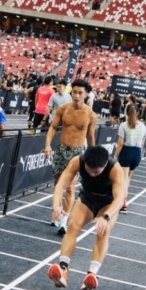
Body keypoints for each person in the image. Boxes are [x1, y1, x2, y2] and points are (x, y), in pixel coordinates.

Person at [47, 145, 124, 290]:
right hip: (87, 198)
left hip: (108, 202)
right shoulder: (77, 161)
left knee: (103, 231)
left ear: (105, 164)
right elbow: (61, 184)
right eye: (89, 170)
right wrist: (56, 205)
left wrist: (106, 217)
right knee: (73, 225)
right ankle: (63, 269)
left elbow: (120, 198)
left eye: (96, 172)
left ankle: (91, 274)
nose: (92, 174)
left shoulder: (115, 168)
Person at [44, 79, 98, 235]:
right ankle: (58, 212)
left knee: (70, 187)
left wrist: (92, 156)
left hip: (77, 153)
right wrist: (47, 144)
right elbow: (53, 127)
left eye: (80, 93)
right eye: (74, 92)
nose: (77, 95)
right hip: (61, 150)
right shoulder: (63, 109)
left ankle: (64, 221)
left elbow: (90, 137)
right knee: (57, 184)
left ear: (86, 94)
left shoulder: (90, 115)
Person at [113, 103, 146, 212]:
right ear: (138, 113)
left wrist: (115, 156)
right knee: (127, 178)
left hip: (126, 152)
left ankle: (122, 203)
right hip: (136, 153)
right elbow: (142, 144)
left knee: (123, 179)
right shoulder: (143, 126)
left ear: (126, 112)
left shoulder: (123, 125)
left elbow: (120, 143)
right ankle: (123, 201)